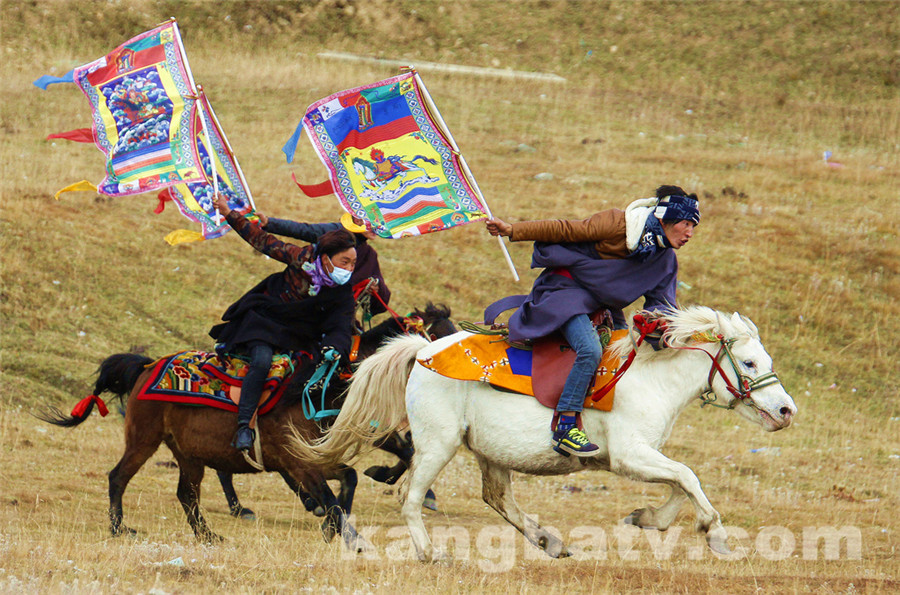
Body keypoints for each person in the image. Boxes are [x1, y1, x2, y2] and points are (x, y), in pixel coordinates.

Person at [485, 185, 699, 457]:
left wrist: (662, 326)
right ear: (664, 218)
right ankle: (565, 424)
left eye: (694, 226)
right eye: (685, 224)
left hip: (602, 306)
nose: (690, 233)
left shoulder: (666, 260)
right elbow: (567, 229)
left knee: (621, 351)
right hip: (565, 293)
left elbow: (662, 304)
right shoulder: (617, 223)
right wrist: (512, 230)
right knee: (590, 349)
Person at [209, 193, 358, 452]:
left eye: (354, 263)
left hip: (300, 333)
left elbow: (341, 325)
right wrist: (228, 213)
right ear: (325, 259)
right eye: (345, 262)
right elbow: (262, 240)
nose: (349, 268)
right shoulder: (301, 258)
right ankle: (244, 426)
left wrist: (334, 347)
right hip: (267, 321)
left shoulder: (343, 291)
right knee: (262, 361)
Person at [257, 211, 392, 323]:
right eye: (371, 221)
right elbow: (304, 230)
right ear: (356, 218)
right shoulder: (333, 235)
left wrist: (376, 290)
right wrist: (269, 223)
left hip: (337, 318)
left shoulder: (369, 256)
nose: (376, 226)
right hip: (302, 307)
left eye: (380, 221)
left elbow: (380, 304)